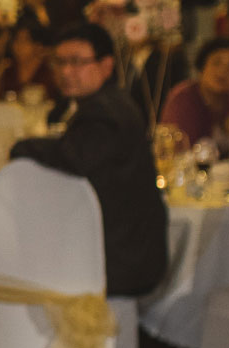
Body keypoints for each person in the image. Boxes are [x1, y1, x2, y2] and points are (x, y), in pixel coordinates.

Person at [9, 22, 169, 297]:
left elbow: (75, 157)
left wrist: (23, 146)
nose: (65, 72)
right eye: (59, 62)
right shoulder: (109, 102)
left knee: (5, 253)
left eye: (77, 62)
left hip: (121, 258)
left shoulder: (105, 112)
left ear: (106, 66)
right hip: (130, 250)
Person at [160, 37, 229, 158]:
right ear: (202, 66)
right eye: (217, 63)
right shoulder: (183, 99)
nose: (223, 71)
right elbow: (177, 153)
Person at [0, 14, 55, 100]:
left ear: (37, 45)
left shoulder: (48, 73)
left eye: (24, 41)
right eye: (16, 40)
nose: (19, 46)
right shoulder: (8, 71)